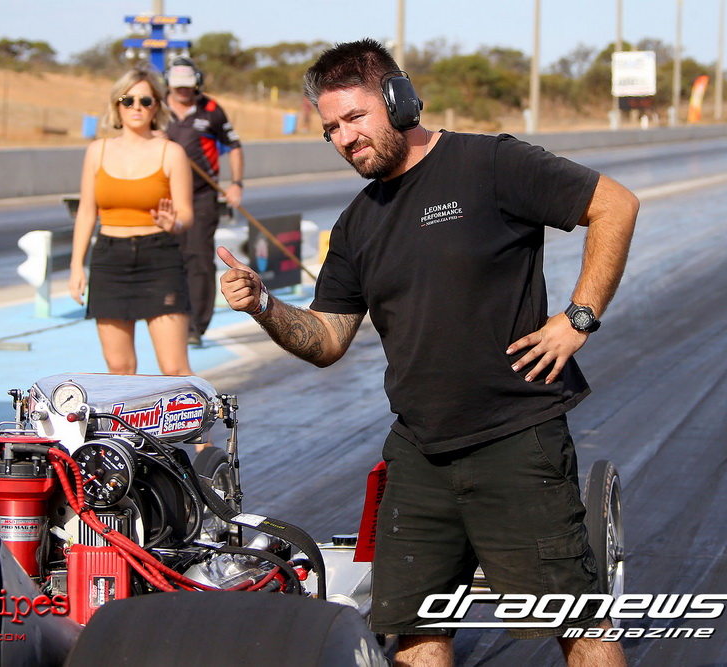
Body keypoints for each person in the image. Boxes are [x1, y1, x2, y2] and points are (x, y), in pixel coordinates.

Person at [218, 39, 638, 666]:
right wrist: (264, 306)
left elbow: (614, 205)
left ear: (399, 100)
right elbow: (328, 339)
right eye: (331, 129)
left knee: (580, 626)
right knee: (413, 634)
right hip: (419, 454)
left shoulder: (489, 163)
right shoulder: (356, 224)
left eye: (355, 117)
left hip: (515, 440)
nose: (345, 138)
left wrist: (578, 318)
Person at [68, 64, 194, 376]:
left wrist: (174, 224)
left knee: (174, 369)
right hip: (109, 259)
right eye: (128, 100)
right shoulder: (96, 151)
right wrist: (76, 266)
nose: (136, 107)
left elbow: (186, 214)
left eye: (145, 101)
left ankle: (193, 412)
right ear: (117, 105)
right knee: (119, 368)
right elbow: (86, 212)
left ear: (157, 107)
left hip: (159, 259)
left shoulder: (171, 153)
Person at [164, 56, 244, 347]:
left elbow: (234, 146)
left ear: (196, 82)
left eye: (187, 85)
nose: (182, 90)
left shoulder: (211, 110)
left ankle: (195, 325)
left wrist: (235, 184)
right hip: (163, 198)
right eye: (177, 85)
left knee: (198, 257)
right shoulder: (155, 109)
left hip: (201, 196)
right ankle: (168, 317)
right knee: (168, 258)